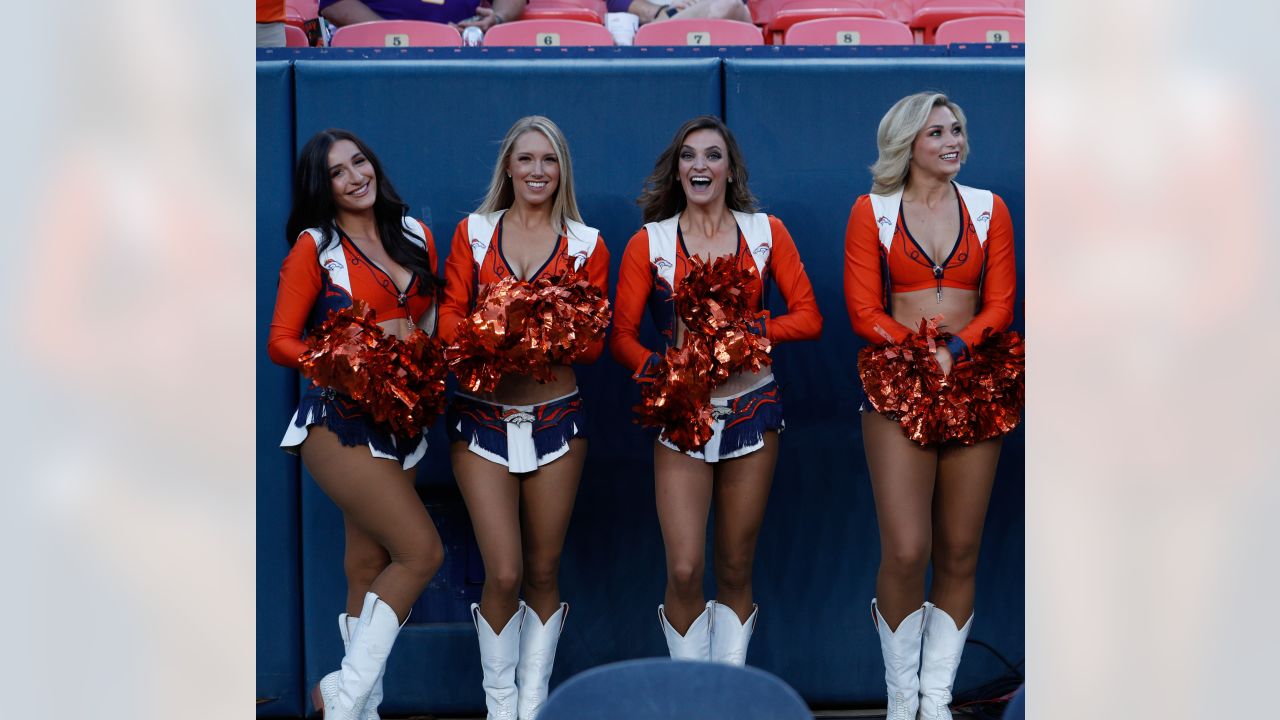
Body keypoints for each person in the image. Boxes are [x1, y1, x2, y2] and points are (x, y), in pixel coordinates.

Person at [610, 115, 821, 666]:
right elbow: (622, 338)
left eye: (712, 155)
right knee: (684, 567)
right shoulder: (649, 242)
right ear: (676, 170)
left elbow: (809, 317)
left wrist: (751, 332)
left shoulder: (764, 232)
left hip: (752, 407)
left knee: (734, 564)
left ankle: (728, 693)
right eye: (688, 156)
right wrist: (663, 372)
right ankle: (690, 695)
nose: (699, 165)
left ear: (730, 170)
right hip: (683, 412)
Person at [844, 92, 1018, 720]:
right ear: (907, 144)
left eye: (958, 130)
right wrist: (920, 351)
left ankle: (935, 701)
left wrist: (956, 347)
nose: (953, 141)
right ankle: (900, 701)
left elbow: (1000, 304)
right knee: (908, 549)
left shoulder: (989, 209)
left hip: (976, 380)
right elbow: (864, 310)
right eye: (937, 132)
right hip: (897, 383)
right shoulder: (873, 212)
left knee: (961, 548)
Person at [268, 129, 447, 720]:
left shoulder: (417, 235)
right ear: (324, 187)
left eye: (359, 162)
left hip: (405, 425)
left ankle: (359, 709)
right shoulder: (314, 248)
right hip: (340, 420)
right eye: (338, 172)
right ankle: (344, 695)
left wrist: (424, 343)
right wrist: (353, 358)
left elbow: (429, 322)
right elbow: (281, 342)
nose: (354, 177)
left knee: (368, 567)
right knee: (421, 554)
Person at [438, 116, 609, 720]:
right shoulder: (475, 233)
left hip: (557, 420)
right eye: (526, 159)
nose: (538, 171)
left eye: (550, 160)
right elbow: (450, 322)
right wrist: (500, 336)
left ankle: (533, 706)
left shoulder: (586, 243)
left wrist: (536, 334)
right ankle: (500, 705)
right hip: (482, 420)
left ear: (563, 171)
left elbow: (592, 345)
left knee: (541, 568)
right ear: (507, 167)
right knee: (504, 571)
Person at [320, 0, 528, 32]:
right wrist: (392, 35)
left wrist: (498, 18)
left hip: (459, 54)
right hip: (375, 57)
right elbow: (334, 4)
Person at [615, 0, 751, 27]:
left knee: (726, 6)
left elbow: (733, 6)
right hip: (665, 14)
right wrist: (659, 11)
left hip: (726, 20)